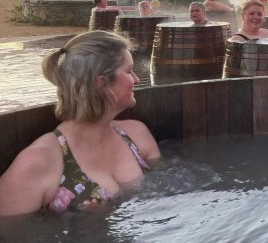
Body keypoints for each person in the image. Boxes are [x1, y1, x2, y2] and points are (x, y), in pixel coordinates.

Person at [0, 31, 160, 216]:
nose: (137, 79)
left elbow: (164, 189)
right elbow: (8, 229)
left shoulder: (137, 135)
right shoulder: (38, 161)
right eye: (129, 71)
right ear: (102, 84)